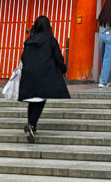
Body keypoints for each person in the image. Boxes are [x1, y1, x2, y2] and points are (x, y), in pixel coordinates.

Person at [17, 15, 70, 143]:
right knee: (41, 99)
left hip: (29, 73)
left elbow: (23, 57)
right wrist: (63, 69)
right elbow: (58, 57)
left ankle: (31, 125)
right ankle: (31, 124)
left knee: (32, 99)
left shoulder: (29, 41)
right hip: (44, 73)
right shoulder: (50, 40)